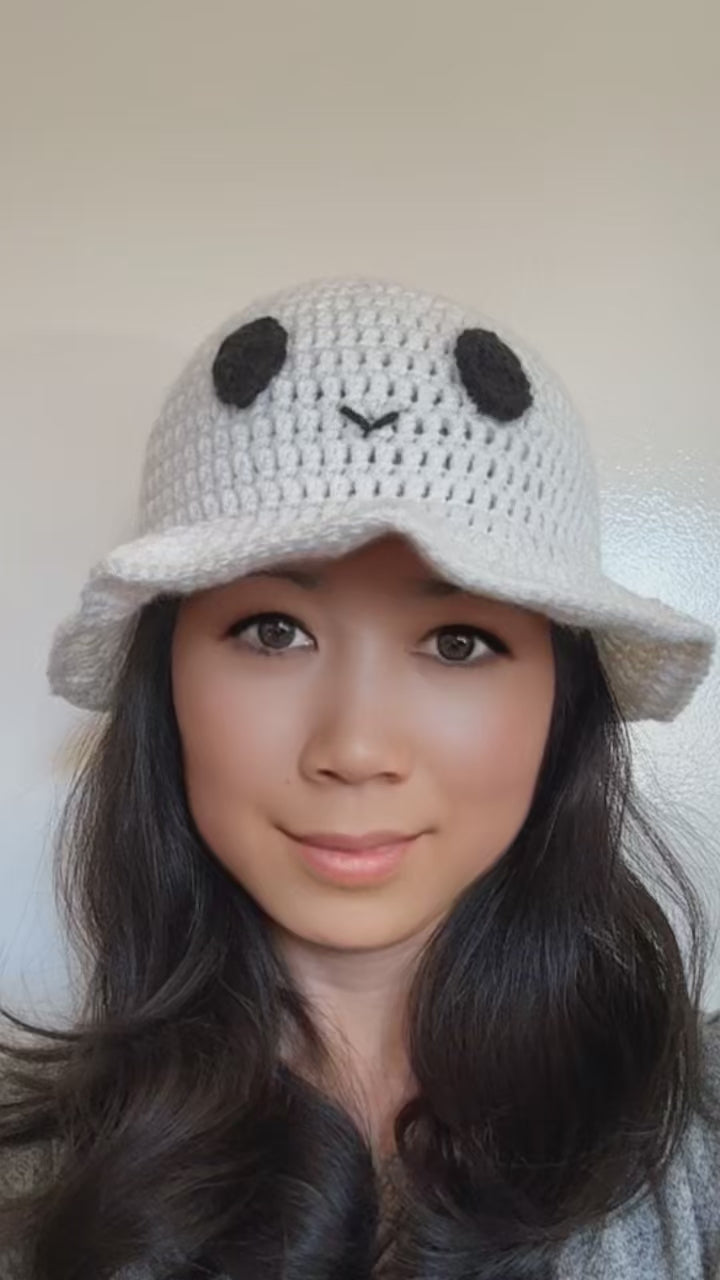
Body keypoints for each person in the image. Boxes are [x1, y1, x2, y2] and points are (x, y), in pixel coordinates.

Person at [1, 275, 718, 1280]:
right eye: (272, 630)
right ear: (166, 683)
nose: (356, 745)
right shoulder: (34, 1186)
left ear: (562, 703)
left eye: (459, 641)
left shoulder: (696, 1142)